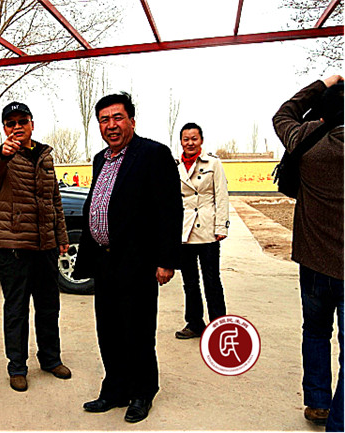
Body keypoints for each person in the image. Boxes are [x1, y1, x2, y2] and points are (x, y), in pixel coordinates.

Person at [72, 92, 182, 423]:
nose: (111, 125)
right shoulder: (100, 159)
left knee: (138, 330)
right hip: (105, 261)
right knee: (108, 329)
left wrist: (166, 260)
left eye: (117, 117)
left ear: (132, 120)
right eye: (104, 120)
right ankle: (115, 389)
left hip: (139, 262)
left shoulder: (153, 154)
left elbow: (169, 210)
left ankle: (143, 392)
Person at [0, 101, 72, 392]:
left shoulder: (45, 156)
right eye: (11, 123)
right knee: (17, 309)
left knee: (48, 306)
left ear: (32, 123)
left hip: (45, 245)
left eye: (22, 121)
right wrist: (2, 152)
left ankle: (50, 359)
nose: (17, 127)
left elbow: (54, 199)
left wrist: (61, 237)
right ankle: (17, 367)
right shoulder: (3, 157)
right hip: (13, 247)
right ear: (5, 129)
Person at [273, 75, 343, 431]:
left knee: (315, 333)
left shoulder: (307, 139)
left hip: (314, 264)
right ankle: (339, 421)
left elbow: (283, 114)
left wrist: (323, 83)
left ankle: (318, 403)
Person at [174, 122, 229, 339]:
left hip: (207, 229)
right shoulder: (176, 166)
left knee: (212, 281)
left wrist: (221, 226)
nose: (190, 143)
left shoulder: (213, 163)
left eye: (194, 139)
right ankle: (195, 323)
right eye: (186, 139)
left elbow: (221, 196)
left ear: (201, 141)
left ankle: (218, 325)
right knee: (190, 282)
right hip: (185, 231)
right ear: (181, 142)